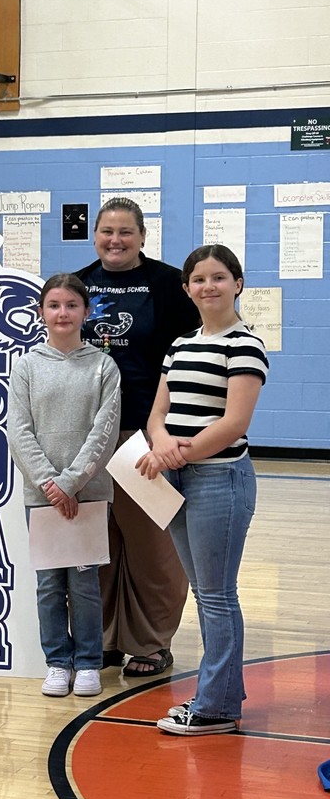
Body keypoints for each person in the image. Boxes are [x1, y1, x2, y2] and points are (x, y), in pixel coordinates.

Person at [136, 245, 268, 734]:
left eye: (219, 277)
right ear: (187, 288)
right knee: (205, 591)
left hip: (220, 480)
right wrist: (164, 443)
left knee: (216, 595)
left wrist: (178, 452)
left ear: (237, 283)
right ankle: (223, 699)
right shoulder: (181, 344)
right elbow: (157, 414)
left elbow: (234, 423)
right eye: (198, 279)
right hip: (176, 478)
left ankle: (214, 707)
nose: (208, 286)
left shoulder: (245, 346)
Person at [77, 197, 200, 677]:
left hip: (147, 433)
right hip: (90, 435)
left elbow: (188, 361)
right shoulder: (80, 285)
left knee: (153, 545)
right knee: (99, 544)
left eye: (126, 231)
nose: (115, 240)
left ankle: (151, 642)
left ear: (143, 236)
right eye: (107, 231)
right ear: (95, 237)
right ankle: (105, 637)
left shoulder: (170, 285)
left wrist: (172, 431)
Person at [8, 274, 121, 697]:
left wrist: (72, 482)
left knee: (85, 582)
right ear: (41, 312)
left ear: (86, 312)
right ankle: (58, 661)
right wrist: (50, 484)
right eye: (54, 304)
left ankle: (89, 661)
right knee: (49, 584)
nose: (63, 313)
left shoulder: (102, 367)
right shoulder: (27, 366)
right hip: (42, 498)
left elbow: (104, 431)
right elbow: (18, 430)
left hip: (88, 495)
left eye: (72, 305)